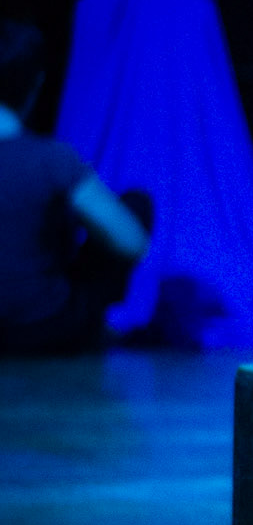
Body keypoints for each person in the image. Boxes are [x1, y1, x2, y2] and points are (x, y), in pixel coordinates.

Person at [0, 20, 151, 354]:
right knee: (137, 204)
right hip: (43, 328)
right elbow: (131, 242)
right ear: (35, 84)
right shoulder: (50, 159)